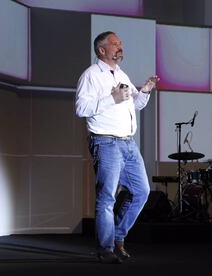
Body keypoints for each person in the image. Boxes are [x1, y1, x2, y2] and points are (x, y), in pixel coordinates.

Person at [75, 31, 157, 264]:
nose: (120, 47)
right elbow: (81, 109)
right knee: (107, 197)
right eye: (115, 44)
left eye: (120, 43)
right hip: (106, 142)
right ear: (102, 50)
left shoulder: (121, 74)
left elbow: (136, 104)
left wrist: (146, 89)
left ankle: (118, 236)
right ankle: (106, 248)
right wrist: (113, 98)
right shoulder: (91, 75)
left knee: (142, 192)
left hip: (128, 143)